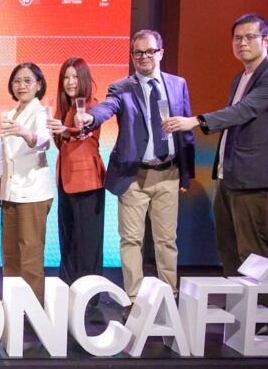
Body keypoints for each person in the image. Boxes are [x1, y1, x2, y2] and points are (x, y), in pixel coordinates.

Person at [164, 13, 268, 275]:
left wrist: (196, 121)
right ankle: (236, 299)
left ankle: (258, 303)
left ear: (267, 39)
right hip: (230, 174)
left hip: (253, 180)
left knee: (252, 252)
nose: (242, 43)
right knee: (228, 248)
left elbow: (244, 111)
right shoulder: (241, 77)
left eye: (250, 37)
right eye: (237, 38)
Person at [76, 30, 196, 300]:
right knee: (131, 240)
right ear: (132, 56)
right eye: (138, 52)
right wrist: (90, 118)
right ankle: (134, 298)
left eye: (149, 51)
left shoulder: (178, 84)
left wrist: (186, 174)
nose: (144, 57)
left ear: (160, 52)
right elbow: (106, 107)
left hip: (169, 173)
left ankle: (169, 296)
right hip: (134, 175)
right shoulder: (121, 87)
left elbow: (186, 130)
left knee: (166, 241)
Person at [0, 62, 53, 302]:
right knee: (10, 254)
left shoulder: (41, 112)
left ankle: (33, 309)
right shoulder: (9, 114)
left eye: (28, 81)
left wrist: (25, 133)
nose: (21, 86)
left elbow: (45, 141)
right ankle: (13, 304)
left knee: (30, 254)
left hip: (33, 192)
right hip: (10, 191)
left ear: (38, 85)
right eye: (17, 81)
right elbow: (3, 154)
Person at [47, 57, 106, 285]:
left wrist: (65, 130)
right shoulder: (64, 109)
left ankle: (88, 298)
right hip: (66, 180)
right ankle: (69, 291)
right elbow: (62, 142)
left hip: (88, 182)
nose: (70, 82)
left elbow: (83, 131)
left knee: (87, 244)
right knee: (68, 240)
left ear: (84, 79)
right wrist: (57, 130)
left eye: (75, 77)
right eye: (66, 77)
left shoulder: (92, 107)